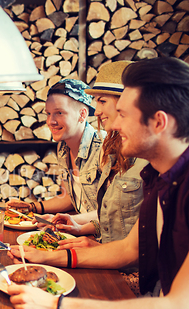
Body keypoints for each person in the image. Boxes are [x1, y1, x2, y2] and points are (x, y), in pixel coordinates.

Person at [7, 57, 189, 309]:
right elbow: (127, 249)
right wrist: (48, 257)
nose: (112, 125)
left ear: (159, 122)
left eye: (123, 115)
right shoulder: (160, 176)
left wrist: (56, 308)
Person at [50, 61, 148, 252]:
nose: (98, 111)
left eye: (102, 101)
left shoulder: (150, 159)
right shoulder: (111, 147)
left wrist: (87, 239)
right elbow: (114, 220)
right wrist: (80, 228)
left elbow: (135, 245)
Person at [8, 79, 105, 215]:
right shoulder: (63, 147)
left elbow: (110, 213)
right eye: (48, 113)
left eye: (59, 113)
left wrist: (74, 224)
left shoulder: (104, 148)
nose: (50, 121)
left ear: (82, 114)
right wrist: (32, 207)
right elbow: (68, 198)